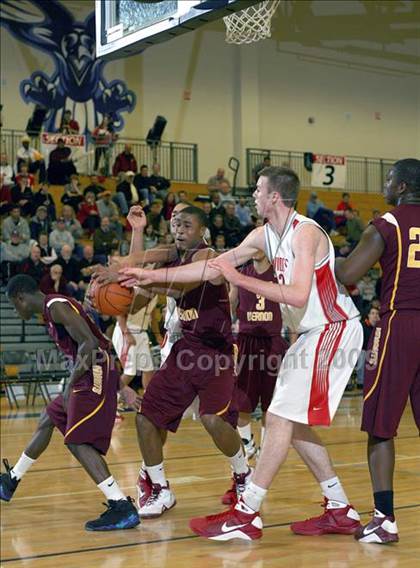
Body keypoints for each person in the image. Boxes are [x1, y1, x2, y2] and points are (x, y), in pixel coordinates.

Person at [121, 167, 364, 540]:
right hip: (313, 332)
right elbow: (212, 267)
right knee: (291, 423)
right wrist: (150, 278)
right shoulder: (263, 236)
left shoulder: (306, 233)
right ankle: (339, 507)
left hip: (333, 328)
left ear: (274, 197)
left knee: (278, 418)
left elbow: (298, 295)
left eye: (258, 189)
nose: (252, 194)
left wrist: (238, 279)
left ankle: (247, 512)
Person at [111, 206, 251, 518]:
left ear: (202, 231)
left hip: (216, 353)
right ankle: (160, 489)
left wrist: (141, 280)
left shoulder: (208, 256)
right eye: (175, 224)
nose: (180, 230)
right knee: (146, 417)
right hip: (185, 350)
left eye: (187, 225)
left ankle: (243, 474)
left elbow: (179, 286)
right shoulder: (171, 254)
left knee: (213, 420)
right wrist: (136, 232)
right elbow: (138, 273)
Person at [0, 275, 140, 531]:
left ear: (21, 297)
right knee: (49, 418)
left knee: (77, 440)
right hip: (91, 369)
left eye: (13, 305)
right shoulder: (52, 308)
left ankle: (121, 505)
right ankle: (11, 480)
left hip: (93, 370)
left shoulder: (56, 307)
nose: (15, 310)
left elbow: (91, 343)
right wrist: (121, 385)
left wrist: (70, 383)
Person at [335, 158, 420, 544]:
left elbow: (349, 274)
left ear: (402, 186)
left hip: (400, 324)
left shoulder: (388, 222)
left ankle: (384, 519)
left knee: (380, 426)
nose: (385, 185)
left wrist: (319, 256)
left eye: (389, 179)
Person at [227, 251, 288, 470]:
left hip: (272, 341)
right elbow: (230, 304)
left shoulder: (279, 274)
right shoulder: (241, 272)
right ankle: (247, 443)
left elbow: (291, 308)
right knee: (242, 400)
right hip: (246, 341)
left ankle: (265, 450)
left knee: (269, 404)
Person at [356, 305, 380, 388]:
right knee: (362, 354)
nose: (375, 315)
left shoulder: (380, 327)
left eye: (377, 313)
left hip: (376, 351)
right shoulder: (362, 326)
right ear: (368, 315)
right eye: (372, 313)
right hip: (364, 351)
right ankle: (360, 382)